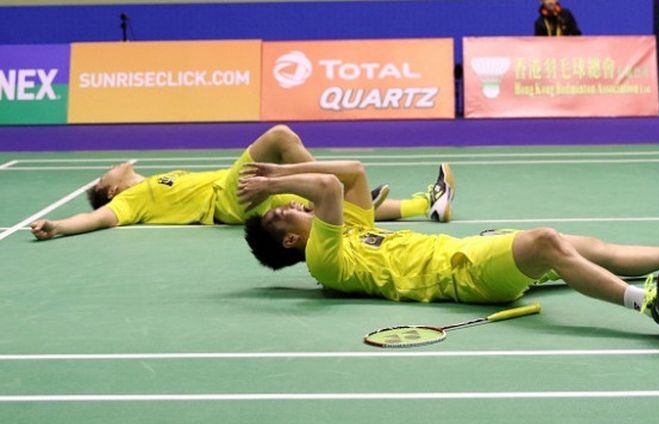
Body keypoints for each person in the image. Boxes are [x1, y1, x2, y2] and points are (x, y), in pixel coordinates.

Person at [241, 160, 659, 337]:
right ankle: (647, 304)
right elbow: (326, 187)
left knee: (586, 246)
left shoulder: (350, 232)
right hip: (463, 274)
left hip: (468, 250)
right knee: (548, 242)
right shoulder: (325, 258)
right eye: (284, 214)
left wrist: (279, 174)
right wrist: (273, 181)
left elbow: (354, 174)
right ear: (292, 240)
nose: (292, 204)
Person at [30, 125, 453, 241]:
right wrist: (60, 226)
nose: (115, 167)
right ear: (113, 190)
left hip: (243, 195)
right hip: (231, 200)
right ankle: (333, 184)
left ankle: (425, 204)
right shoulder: (135, 199)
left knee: (317, 202)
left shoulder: (158, 179)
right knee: (281, 138)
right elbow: (100, 218)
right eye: (106, 175)